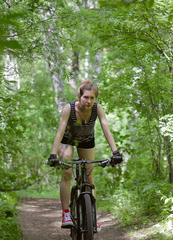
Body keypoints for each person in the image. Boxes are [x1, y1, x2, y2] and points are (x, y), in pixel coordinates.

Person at [47, 79, 123, 230]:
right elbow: (60, 130)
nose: (88, 101)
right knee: (67, 172)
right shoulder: (69, 108)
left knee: (89, 177)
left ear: (95, 98)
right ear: (79, 96)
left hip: (87, 141)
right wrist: (53, 154)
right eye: (86, 97)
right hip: (68, 140)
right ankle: (66, 213)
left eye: (92, 98)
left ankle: (92, 217)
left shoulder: (97, 108)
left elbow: (106, 129)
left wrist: (115, 152)